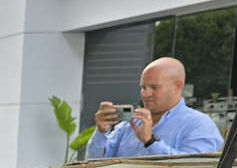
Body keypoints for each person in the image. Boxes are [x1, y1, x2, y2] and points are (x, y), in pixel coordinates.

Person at [86, 56, 224, 159]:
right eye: (143, 87)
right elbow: (93, 165)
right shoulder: (129, 125)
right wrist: (101, 132)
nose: (146, 94)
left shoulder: (200, 125)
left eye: (154, 87)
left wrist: (150, 142)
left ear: (177, 87)